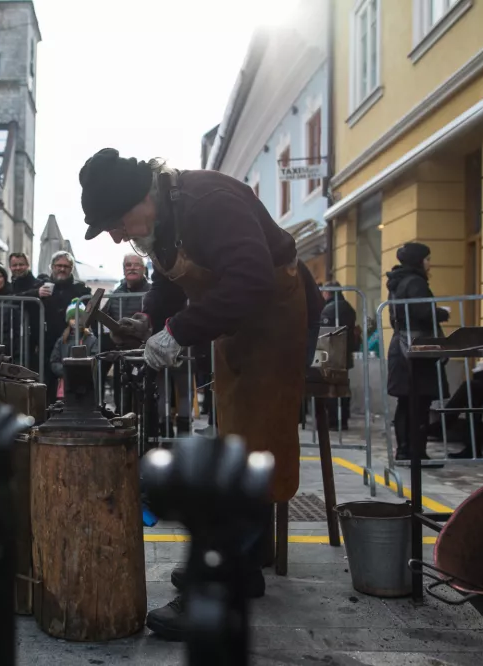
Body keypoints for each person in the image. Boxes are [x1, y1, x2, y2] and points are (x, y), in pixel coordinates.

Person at [78, 148, 321, 641]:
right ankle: (246, 562)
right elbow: (172, 284)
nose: (118, 235)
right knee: (236, 439)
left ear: (142, 196)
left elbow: (250, 280)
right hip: (235, 323)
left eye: (117, 221)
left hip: (276, 317)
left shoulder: (209, 201)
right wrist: (148, 319)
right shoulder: (162, 219)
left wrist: (180, 332)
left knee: (256, 446)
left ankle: (220, 584)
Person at [385, 242, 449, 462]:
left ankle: (404, 450)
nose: (429, 263)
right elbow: (422, 311)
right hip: (417, 349)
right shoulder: (415, 282)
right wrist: (442, 313)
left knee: (406, 402)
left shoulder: (397, 281)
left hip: (401, 346)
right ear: (418, 260)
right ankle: (415, 452)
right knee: (419, 403)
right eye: (427, 258)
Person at [100, 254, 150, 414]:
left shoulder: (151, 292)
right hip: (120, 348)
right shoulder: (116, 293)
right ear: (123, 269)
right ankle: (120, 418)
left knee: (142, 390)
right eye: (128, 265)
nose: (132, 268)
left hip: (143, 349)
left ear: (143, 269)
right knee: (119, 385)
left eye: (136, 265)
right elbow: (104, 315)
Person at [37, 251, 91, 380]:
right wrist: (36, 293)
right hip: (46, 339)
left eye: (66, 266)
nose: (62, 269)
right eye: (58, 265)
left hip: (72, 339)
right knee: (47, 377)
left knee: (71, 377)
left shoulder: (80, 289)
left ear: (71, 268)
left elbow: (91, 308)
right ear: (52, 266)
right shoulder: (42, 286)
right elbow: (18, 297)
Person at [319, 281, 359, 430]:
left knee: (331, 389)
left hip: (331, 353)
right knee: (342, 388)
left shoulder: (330, 308)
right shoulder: (347, 306)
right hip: (344, 353)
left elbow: (324, 332)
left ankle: (334, 421)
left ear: (328, 292)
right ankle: (342, 420)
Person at [50, 299, 99, 387]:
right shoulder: (62, 340)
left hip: (86, 383)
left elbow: (95, 360)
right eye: (72, 318)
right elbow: (54, 361)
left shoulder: (92, 339)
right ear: (68, 320)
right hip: (66, 382)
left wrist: (82, 372)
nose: (76, 320)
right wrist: (66, 371)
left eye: (79, 317)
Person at [9, 252, 44, 372]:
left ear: (28, 265)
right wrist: (34, 293)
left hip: (32, 335)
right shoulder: (11, 285)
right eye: (14, 265)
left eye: (21, 264)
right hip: (13, 334)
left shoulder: (37, 284)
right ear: (10, 267)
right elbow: (11, 299)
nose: (18, 268)